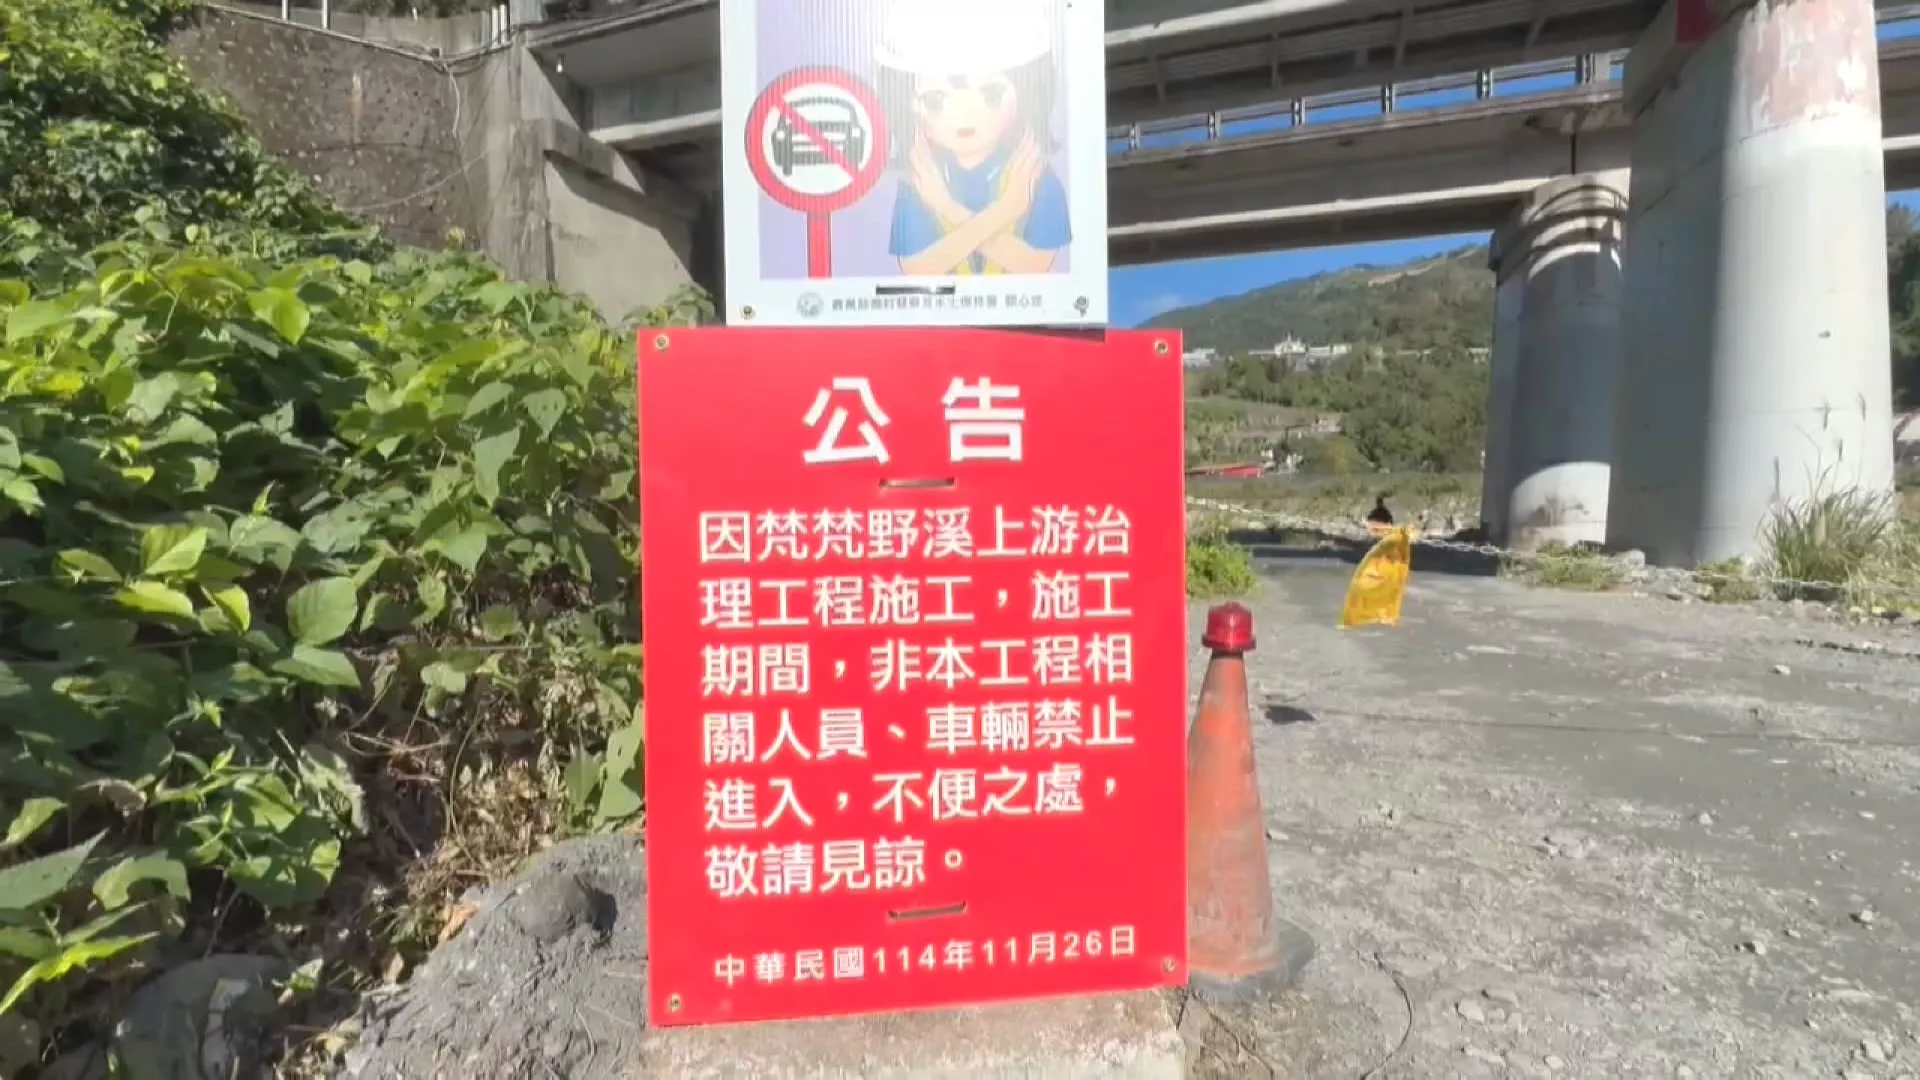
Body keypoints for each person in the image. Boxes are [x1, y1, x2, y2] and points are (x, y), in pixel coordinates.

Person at [875, 0, 1071, 277]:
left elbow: (1035, 263)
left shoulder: (1034, 175)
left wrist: (946, 207)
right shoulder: (920, 178)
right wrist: (1003, 211)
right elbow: (918, 268)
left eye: (991, 94)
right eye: (935, 100)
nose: (964, 114)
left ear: (1029, 93)